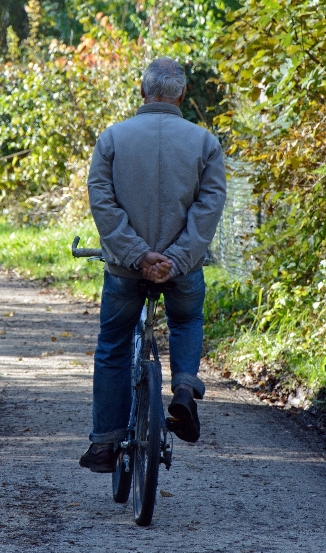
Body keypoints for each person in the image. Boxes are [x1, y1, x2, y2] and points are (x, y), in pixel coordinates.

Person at [79, 57, 227, 473]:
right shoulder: (204, 142)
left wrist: (138, 254)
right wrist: (177, 258)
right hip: (182, 270)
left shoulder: (112, 138)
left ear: (142, 92)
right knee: (184, 320)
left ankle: (106, 443)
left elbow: (102, 201)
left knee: (113, 345)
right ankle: (182, 387)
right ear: (182, 94)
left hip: (127, 270)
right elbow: (210, 205)